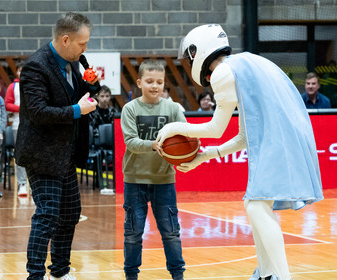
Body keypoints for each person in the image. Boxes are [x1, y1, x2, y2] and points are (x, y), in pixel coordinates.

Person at [157, 24, 324, 280]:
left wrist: (174, 127)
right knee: (256, 204)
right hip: (291, 132)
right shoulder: (245, 63)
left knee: (257, 206)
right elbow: (244, 136)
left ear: (199, 51)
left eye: (189, 56)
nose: (190, 62)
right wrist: (203, 157)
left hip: (281, 136)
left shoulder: (223, 73)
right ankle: (266, 273)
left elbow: (215, 128)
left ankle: (283, 276)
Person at [14, 12, 100, 280]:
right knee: (48, 214)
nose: (85, 49)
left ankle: (60, 272)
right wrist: (77, 109)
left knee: (71, 214)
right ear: (65, 39)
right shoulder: (35, 67)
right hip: (42, 153)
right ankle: (35, 275)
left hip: (66, 153)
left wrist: (89, 86)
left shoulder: (74, 61)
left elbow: (74, 96)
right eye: (82, 43)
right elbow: (39, 112)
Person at [121, 59, 186, 280]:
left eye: (159, 82)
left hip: (165, 180)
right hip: (135, 180)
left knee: (171, 232)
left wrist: (189, 150)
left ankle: (178, 275)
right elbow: (130, 142)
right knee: (133, 232)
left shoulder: (173, 108)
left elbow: (185, 135)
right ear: (139, 82)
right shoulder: (129, 109)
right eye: (149, 81)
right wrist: (153, 144)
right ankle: (131, 275)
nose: (155, 86)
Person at [5, 61, 28, 196]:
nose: (22, 73)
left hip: (35, 125)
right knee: (20, 154)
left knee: (33, 155)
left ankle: (33, 183)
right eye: (20, 70)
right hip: (17, 124)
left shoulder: (35, 84)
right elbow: (8, 104)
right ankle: (22, 183)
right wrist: (23, 109)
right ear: (17, 72)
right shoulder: (12, 87)